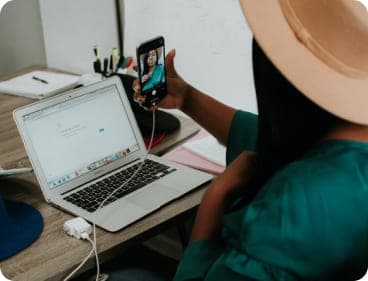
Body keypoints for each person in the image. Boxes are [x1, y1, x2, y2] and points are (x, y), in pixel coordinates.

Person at [108, 0, 368, 280]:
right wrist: (187, 98)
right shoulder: (348, 152)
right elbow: (266, 137)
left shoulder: (287, 212)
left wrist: (215, 198)